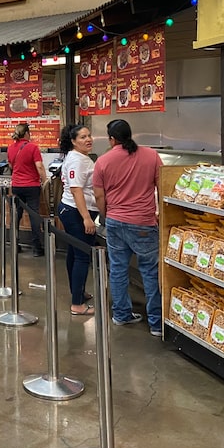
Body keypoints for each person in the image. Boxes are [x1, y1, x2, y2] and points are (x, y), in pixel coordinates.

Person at [93, 119, 163, 337]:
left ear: (112, 139)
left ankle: (122, 314)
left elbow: (99, 196)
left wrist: (106, 216)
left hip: (115, 222)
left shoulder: (103, 161)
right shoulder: (152, 156)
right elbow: (163, 187)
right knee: (150, 272)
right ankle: (156, 323)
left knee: (118, 269)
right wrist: (159, 212)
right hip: (144, 223)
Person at [58, 124, 97, 316]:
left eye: (89, 136)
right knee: (82, 255)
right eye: (82, 137)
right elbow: (76, 189)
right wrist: (87, 218)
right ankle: (77, 305)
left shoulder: (77, 157)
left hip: (70, 209)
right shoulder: (78, 160)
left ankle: (78, 292)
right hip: (76, 212)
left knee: (74, 253)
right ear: (73, 141)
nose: (88, 140)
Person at [7, 122, 46, 256]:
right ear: (27, 134)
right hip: (31, 186)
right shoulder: (33, 147)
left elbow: (11, 166)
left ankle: (14, 244)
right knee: (34, 215)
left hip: (16, 186)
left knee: (16, 215)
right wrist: (45, 180)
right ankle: (37, 248)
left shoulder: (11, 147)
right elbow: (39, 166)